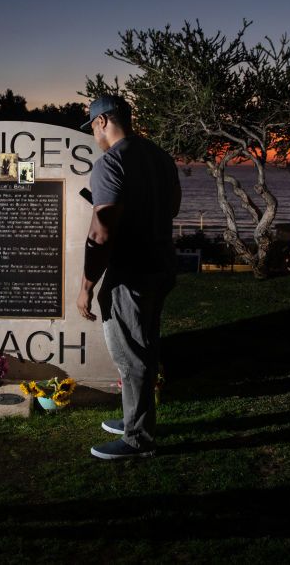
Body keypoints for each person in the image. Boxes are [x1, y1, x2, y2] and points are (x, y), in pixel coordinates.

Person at [76, 95, 181, 460]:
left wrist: (87, 286)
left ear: (103, 121)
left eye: (91, 126)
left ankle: (137, 439)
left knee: (131, 355)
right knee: (146, 346)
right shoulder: (160, 157)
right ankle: (134, 417)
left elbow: (100, 234)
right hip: (163, 265)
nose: (92, 134)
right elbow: (173, 208)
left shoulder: (110, 164)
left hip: (131, 273)